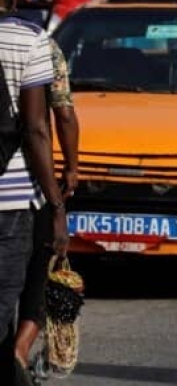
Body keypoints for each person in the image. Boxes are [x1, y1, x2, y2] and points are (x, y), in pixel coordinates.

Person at [0, 0, 66, 383]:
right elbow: (37, 129)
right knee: (6, 295)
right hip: (11, 200)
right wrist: (57, 205)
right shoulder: (30, 40)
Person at [13, 36, 79, 373]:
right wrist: (70, 166)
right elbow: (62, 113)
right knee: (40, 270)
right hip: (29, 182)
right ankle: (20, 352)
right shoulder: (39, 44)